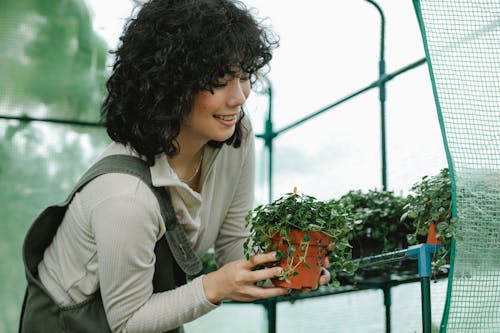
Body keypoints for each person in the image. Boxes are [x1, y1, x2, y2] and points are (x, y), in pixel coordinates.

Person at [20, 0, 331, 332]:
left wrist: (287, 264)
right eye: (222, 79)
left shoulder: (235, 134)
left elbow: (233, 246)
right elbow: (128, 321)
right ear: (171, 85)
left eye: (245, 76)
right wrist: (215, 287)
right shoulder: (124, 195)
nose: (239, 96)